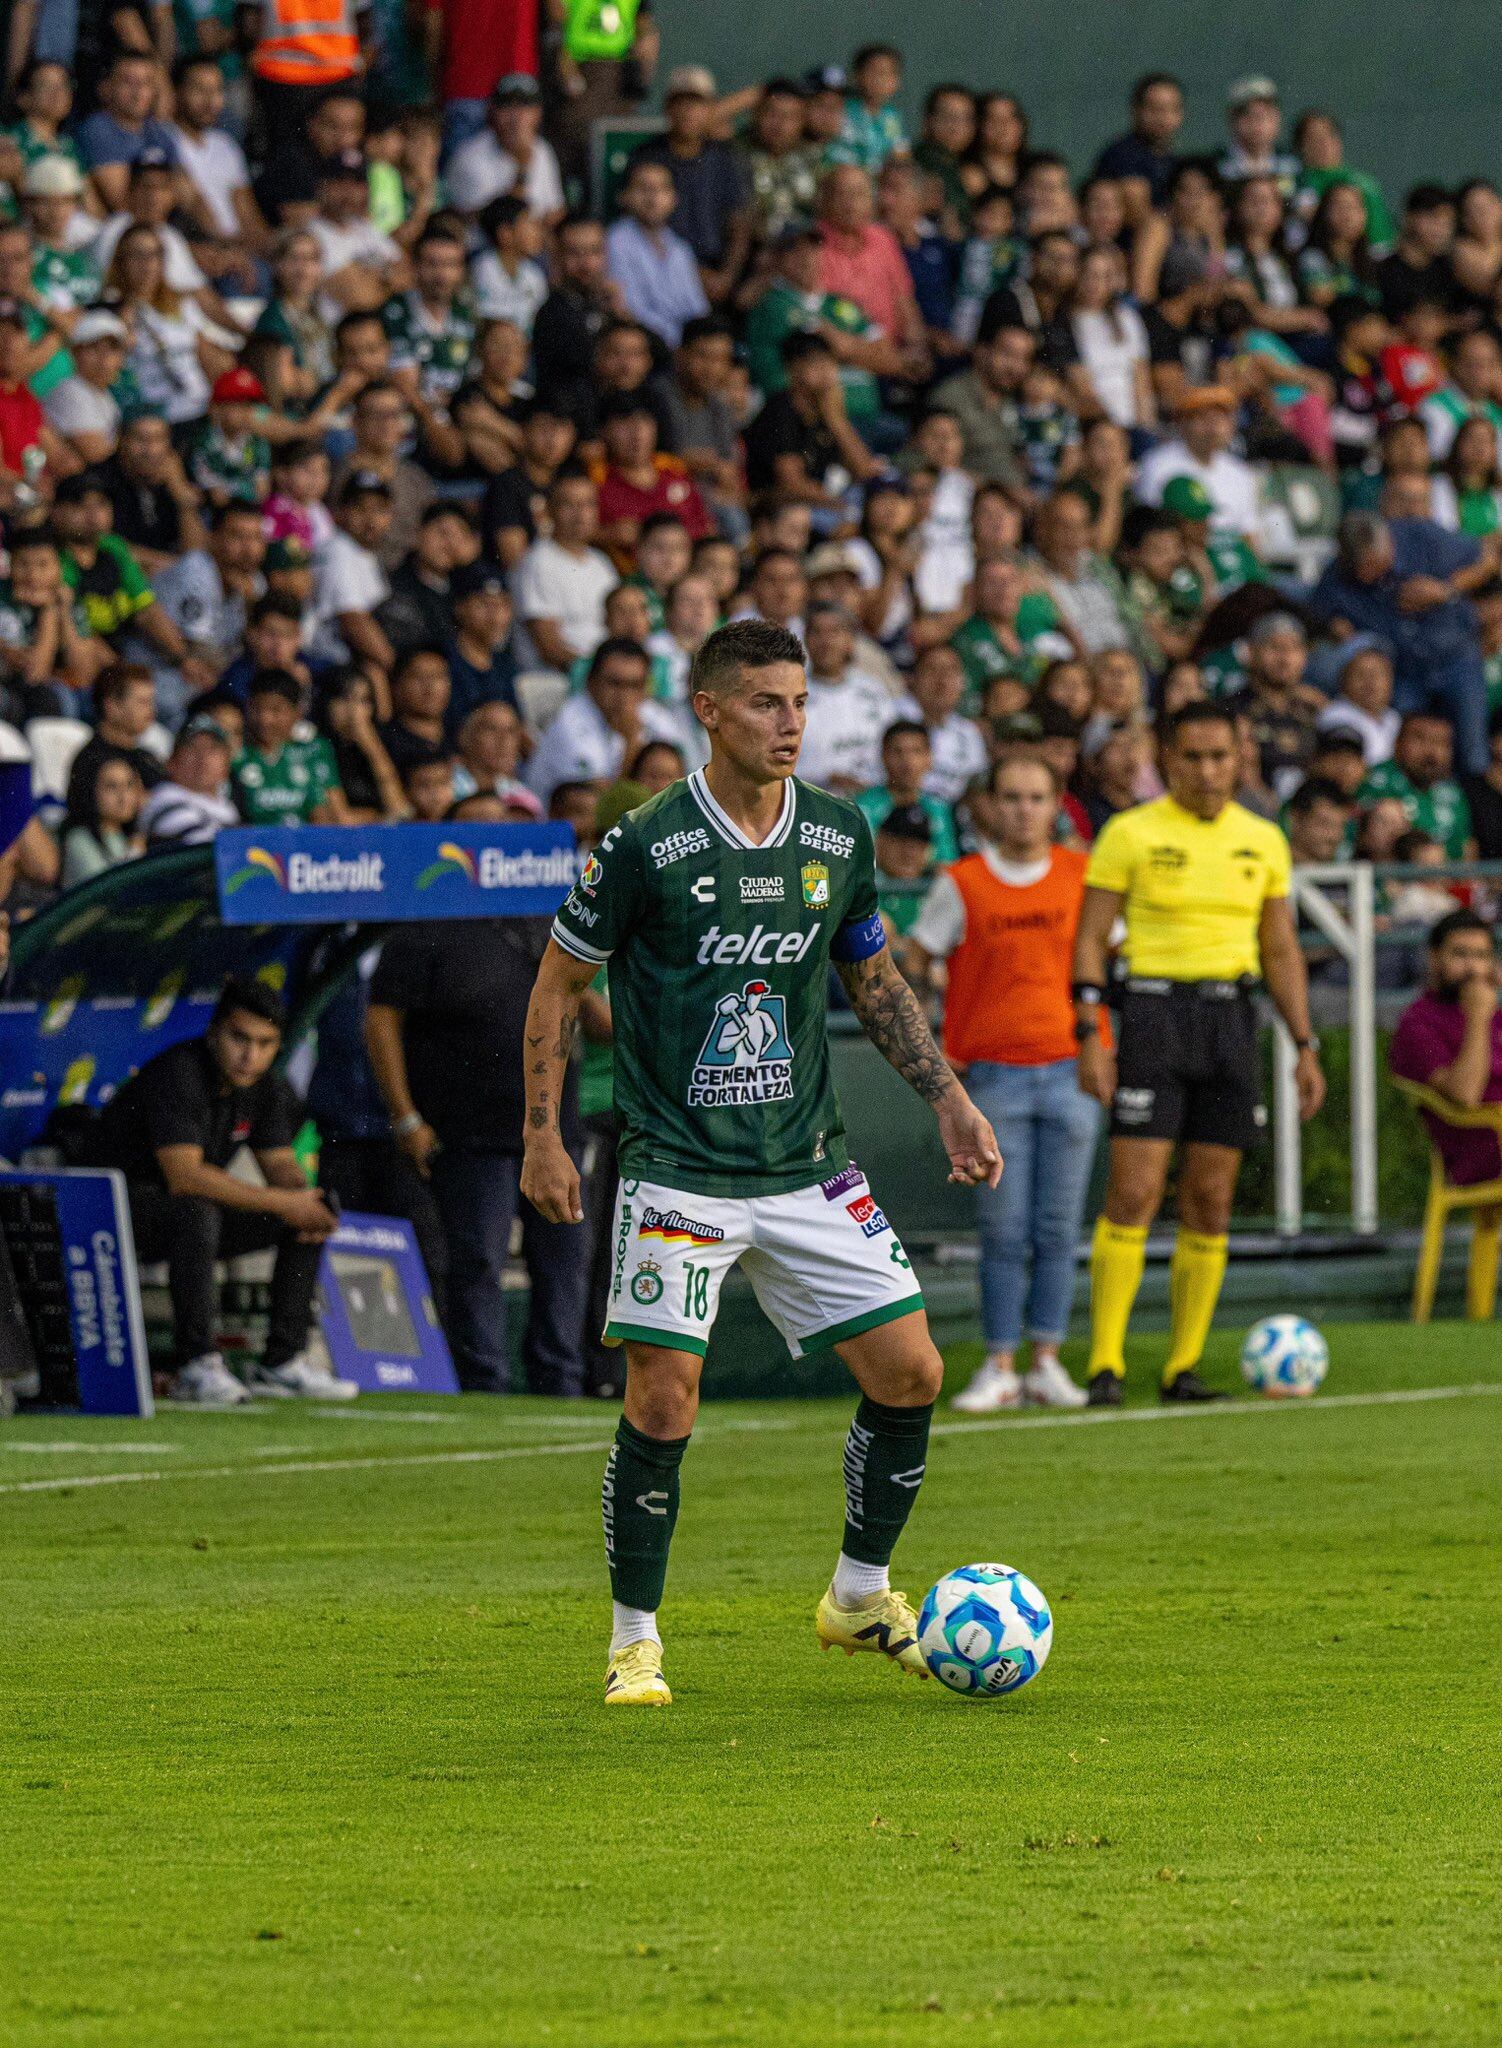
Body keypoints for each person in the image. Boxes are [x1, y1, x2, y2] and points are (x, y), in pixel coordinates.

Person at [521, 617, 1002, 1707]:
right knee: (664, 1399)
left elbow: (873, 980)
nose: (789, 723)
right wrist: (543, 1134)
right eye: (764, 703)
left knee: (913, 1373)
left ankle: (858, 1595)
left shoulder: (837, 832)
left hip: (807, 1164)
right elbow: (557, 985)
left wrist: (948, 1099)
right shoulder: (644, 845)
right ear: (708, 709)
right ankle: (633, 1641)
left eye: (799, 702)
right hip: (677, 1165)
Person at [1073, 701, 1326, 1403]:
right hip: (1152, 1014)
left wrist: (1304, 1043)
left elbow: (1280, 948)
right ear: (1166, 757)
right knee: (1134, 1192)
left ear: (1241, 757)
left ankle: (1182, 1367)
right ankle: (1105, 1365)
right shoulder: (1130, 832)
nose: (1209, 771)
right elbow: (1090, 937)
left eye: (1221, 756)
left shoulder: (1263, 838)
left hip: (1231, 1019)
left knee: (1211, 1199)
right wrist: (1091, 1032)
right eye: (1193, 757)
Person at [907, 752, 1099, 1411]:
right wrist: (933, 1042)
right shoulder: (960, 881)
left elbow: (1110, 961)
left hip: (1070, 1069)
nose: (1023, 810)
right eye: (1011, 797)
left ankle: (1045, 1360)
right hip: (991, 1078)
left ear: (1056, 805)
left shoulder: (1082, 876)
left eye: (1036, 797)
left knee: (1059, 1229)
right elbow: (915, 960)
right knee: (1004, 1231)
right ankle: (1000, 1363)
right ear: (990, 806)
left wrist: (1102, 1044)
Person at [92, 977, 354, 1404]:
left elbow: (280, 1163)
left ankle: (282, 1361)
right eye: (240, 1039)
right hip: (114, 1213)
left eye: (265, 1044)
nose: (251, 1056)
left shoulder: (265, 1086)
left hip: (186, 1219)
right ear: (215, 1031)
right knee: (197, 1211)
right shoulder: (180, 1073)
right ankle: (196, 1363)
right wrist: (284, 1201)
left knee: (306, 1217)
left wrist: (304, 1202)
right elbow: (185, 1176)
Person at [365, 909, 587, 1396]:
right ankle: (483, 1385)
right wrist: (405, 1116)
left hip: (556, 1136)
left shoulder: (548, 919)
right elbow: (381, 1020)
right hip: (470, 1134)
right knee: (478, 1262)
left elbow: (589, 1011)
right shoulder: (428, 923)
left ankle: (561, 1383)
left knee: (564, 1261)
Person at [1390, 910, 1502, 1187]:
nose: (1473, 969)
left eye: (1482, 956)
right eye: (1460, 954)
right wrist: (1478, 1018)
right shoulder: (1418, 1023)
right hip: (1481, 1150)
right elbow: (1464, 1095)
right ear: (1434, 958)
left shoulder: (1495, 1011)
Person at [525, 636, 680, 802]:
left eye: (634, 685)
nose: (624, 696)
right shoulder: (569, 725)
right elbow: (603, 805)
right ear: (591, 682)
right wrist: (631, 742)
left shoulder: (655, 716)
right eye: (615, 684)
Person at [605, 156, 709, 349]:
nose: (653, 198)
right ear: (624, 196)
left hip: (686, 350)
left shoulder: (680, 248)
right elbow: (632, 312)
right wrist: (682, 345)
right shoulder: (616, 241)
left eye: (662, 188)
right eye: (643, 188)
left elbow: (698, 309)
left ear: (674, 198)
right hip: (647, 350)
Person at [139, 713, 240, 844]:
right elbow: (200, 844)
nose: (203, 757)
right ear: (172, 762)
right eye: (192, 747)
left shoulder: (227, 807)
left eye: (213, 748)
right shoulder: (163, 799)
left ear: (226, 766)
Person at [60, 748, 145, 887]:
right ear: (90, 791)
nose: (124, 797)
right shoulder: (78, 839)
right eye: (112, 787)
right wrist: (134, 855)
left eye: (129, 785)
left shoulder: (131, 838)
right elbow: (103, 891)